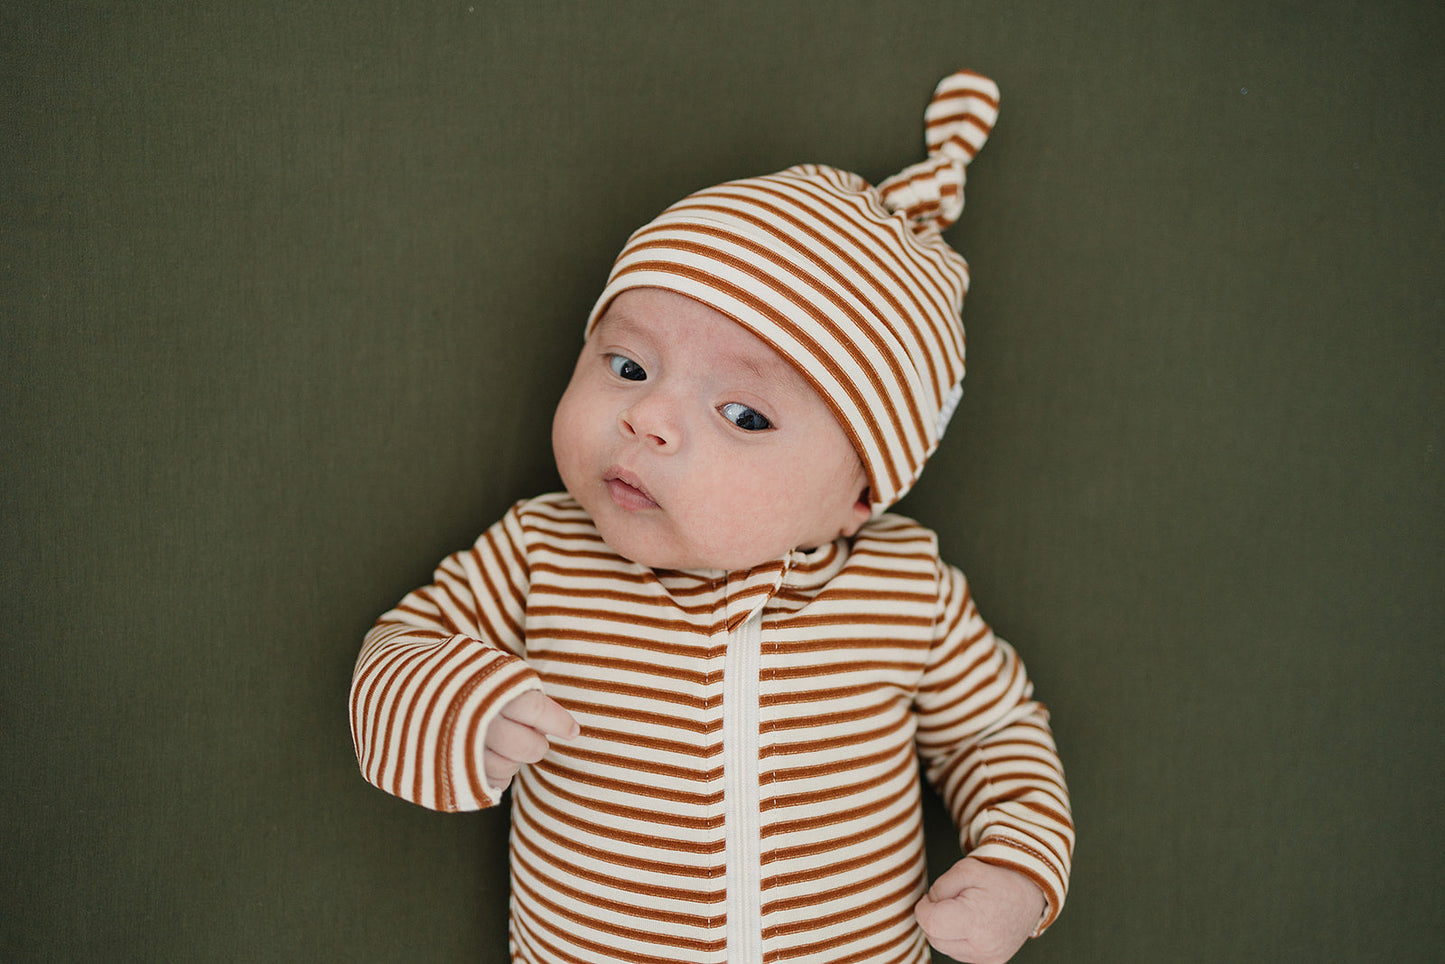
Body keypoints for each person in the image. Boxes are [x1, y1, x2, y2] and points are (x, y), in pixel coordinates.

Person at [350, 69, 1073, 964]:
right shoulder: (542, 552)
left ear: (860, 494)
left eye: (742, 415)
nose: (647, 417)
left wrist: (1020, 869)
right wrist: (457, 704)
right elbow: (395, 651)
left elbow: (993, 730)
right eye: (626, 366)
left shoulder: (904, 590)